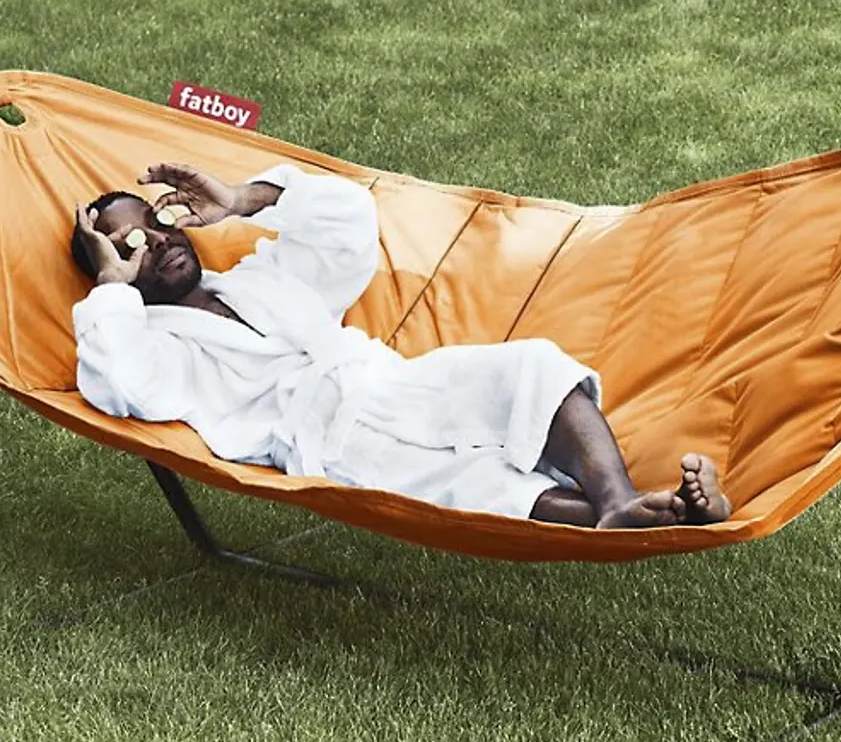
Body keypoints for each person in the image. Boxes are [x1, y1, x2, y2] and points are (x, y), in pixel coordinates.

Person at [71, 162, 731, 529]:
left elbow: (348, 220)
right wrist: (112, 285)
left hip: (393, 382)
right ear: (114, 266)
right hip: (333, 442)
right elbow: (119, 383)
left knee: (527, 367)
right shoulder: (154, 345)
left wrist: (246, 198)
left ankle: (618, 500)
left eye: (157, 221)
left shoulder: (261, 277)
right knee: (472, 486)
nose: (159, 240)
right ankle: (652, 518)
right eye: (132, 244)